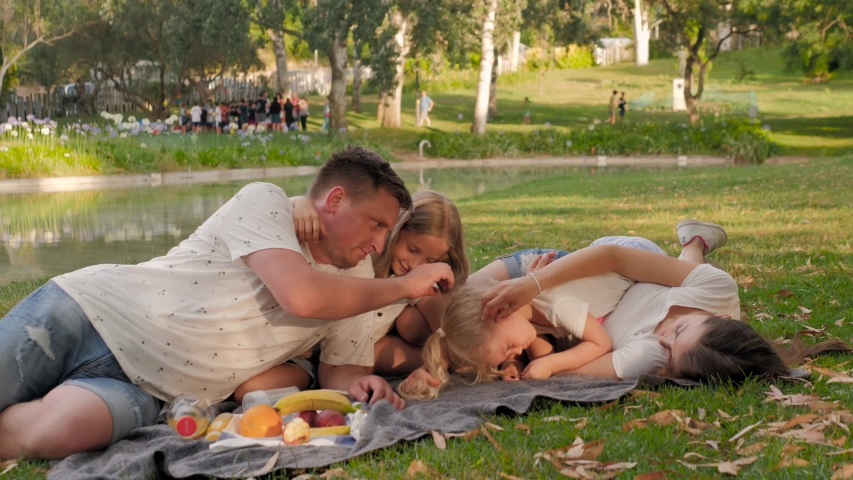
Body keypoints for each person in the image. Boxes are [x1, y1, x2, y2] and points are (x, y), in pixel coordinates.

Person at [0, 146, 456, 461]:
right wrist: (406, 285)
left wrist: (360, 386)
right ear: (335, 200)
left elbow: (340, 368)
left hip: (151, 390)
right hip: (90, 310)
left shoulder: (356, 287)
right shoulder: (266, 203)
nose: (379, 245)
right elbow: (301, 294)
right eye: (376, 224)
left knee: (54, 433)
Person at [398, 220, 851, 398]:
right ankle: (694, 243)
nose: (663, 335)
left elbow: (570, 363)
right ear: (721, 318)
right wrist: (531, 282)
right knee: (434, 309)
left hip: (568, 304)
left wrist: (543, 360)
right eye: (679, 328)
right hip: (586, 265)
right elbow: (614, 259)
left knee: (432, 333)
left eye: (669, 351)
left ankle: (695, 241)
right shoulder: (717, 292)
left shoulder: (655, 354)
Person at [233, 190, 469, 399]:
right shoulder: (359, 253)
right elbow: (323, 214)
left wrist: (431, 369)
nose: (415, 264)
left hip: (323, 360)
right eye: (412, 249)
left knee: (249, 390)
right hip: (299, 336)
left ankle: (315, 381)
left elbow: (449, 331)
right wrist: (299, 203)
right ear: (396, 229)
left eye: (429, 260)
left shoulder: (422, 285)